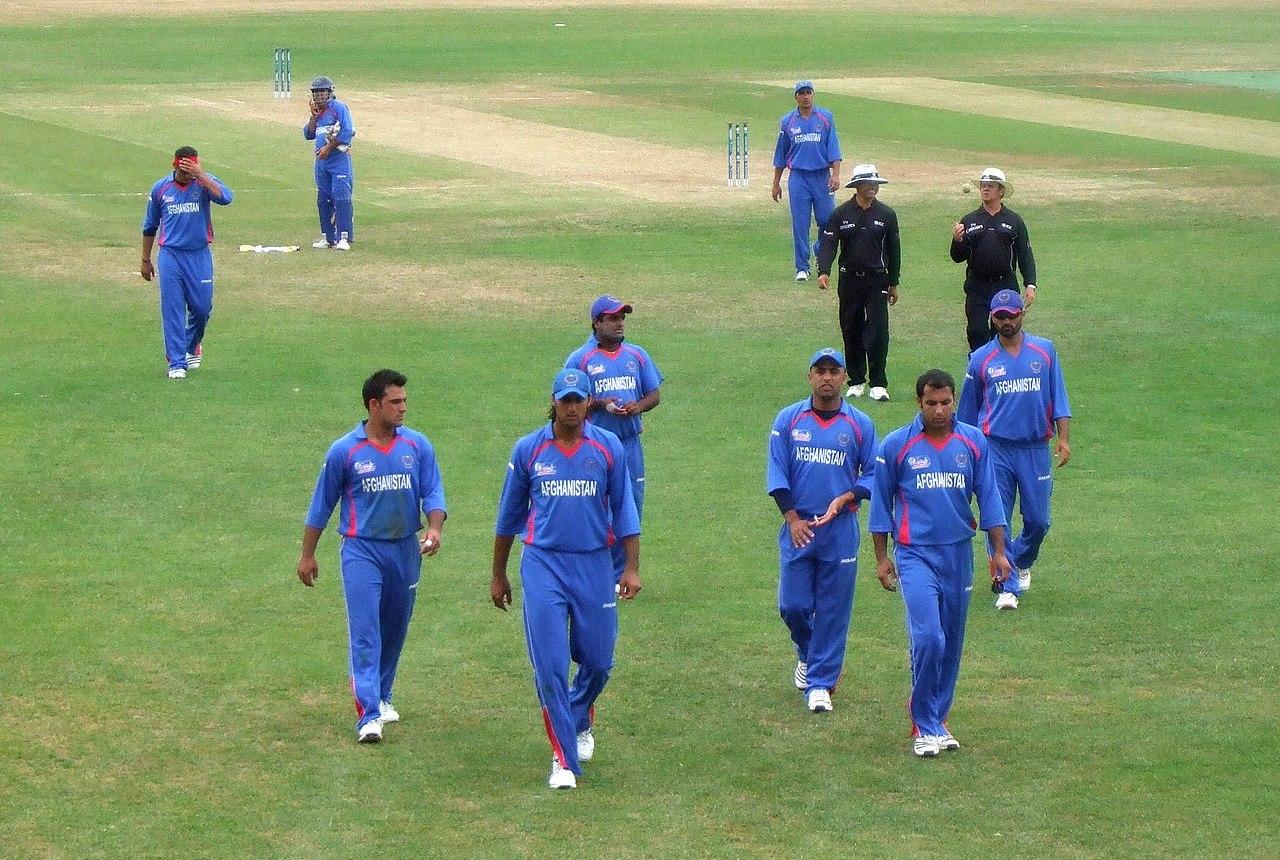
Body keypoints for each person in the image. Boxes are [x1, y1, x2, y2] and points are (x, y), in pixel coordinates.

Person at [491, 369, 642, 790]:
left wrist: (631, 567)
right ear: (554, 401)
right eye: (565, 400)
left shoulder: (608, 447)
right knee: (552, 666)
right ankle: (564, 759)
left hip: (594, 564)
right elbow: (508, 517)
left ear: (588, 402)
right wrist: (498, 574)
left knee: (599, 661)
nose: (572, 407)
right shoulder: (529, 450)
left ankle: (577, 716)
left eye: (578, 399)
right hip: (543, 565)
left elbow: (625, 510)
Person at [297, 369, 447, 744]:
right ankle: (368, 714)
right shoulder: (345, 451)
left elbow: (433, 492)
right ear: (374, 405)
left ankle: (382, 694)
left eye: (404, 401)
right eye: (395, 402)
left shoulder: (417, 446)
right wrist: (307, 555)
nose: (403, 408)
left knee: (395, 626)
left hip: (405, 549)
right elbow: (321, 505)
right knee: (366, 630)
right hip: (361, 550)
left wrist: (434, 528)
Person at [868, 369, 1012, 757]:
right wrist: (881, 559)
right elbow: (880, 506)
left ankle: (937, 719)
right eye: (931, 403)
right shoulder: (897, 445)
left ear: (954, 401)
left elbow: (990, 499)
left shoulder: (973, 442)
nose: (938, 410)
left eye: (945, 402)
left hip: (958, 553)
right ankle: (924, 722)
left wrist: (999, 552)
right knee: (929, 637)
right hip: (915, 554)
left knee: (950, 640)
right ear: (919, 402)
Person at [766, 348, 877, 714]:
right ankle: (809, 653)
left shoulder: (860, 424)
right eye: (820, 370)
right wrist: (792, 519)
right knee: (793, 605)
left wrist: (845, 498)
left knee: (833, 608)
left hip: (840, 529)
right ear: (810, 376)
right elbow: (777, 473)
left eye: (834, 371)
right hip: (799, 526)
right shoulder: (788, 420)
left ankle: (820, 684)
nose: (827, 377)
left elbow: (873, 475)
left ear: (844, 377)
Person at [958, 290, 1071, 610]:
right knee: (998, 519)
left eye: (1012, 315)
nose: (1006, 321)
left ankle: (1019, 560)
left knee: (1039, 521)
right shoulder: (980, 359)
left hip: (1035, 448)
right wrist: (966, 454)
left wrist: (1063, 439)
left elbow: (1059, 398)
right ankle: (1006, 586)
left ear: (1023, 314)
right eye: (1000, 316)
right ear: (992, 318)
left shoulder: (1045, 351)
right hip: (995, 449)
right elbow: (966, 414)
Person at [564, 294, 663, 578]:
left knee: (630, 507)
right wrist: (600, 403)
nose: (620, 323)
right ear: (597, 323)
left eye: (622, 318)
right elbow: (566, 401)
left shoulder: (637, 355)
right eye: (612, 318)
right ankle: (593, 569)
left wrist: (637, 407)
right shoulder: (580, 359)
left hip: (630, 446)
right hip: (594, 448)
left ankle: (620, 574)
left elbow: (654, 394)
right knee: (595, 508)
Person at [140, 146, 233, 379]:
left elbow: (226, 198)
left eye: (190, 170)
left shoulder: (204, 183)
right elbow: (150, 226)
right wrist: (145, 259)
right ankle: (176, 362)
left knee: (202, 308)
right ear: (174, 166)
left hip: (199, 255)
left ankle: (192, 344)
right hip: (170, 255)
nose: (187, 175)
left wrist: (200, 174)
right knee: (172, 308)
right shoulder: (161, 188)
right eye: (183, 171)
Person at [817, 164, 901, 403]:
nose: (872, 187)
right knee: (851, 329)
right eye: (867, 183)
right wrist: (824, 271)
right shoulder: (841, 214)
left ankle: (878, 383)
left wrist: (893, 282)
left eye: (875, 184)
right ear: (856, 186)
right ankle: (856, 381)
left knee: (878, 332)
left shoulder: (886, 214)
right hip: (849, 280)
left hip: (877, 280)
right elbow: (829, 244)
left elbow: (894, 250)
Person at [950, 167, 1037, 351]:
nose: (985, 189)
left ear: (1001, 191)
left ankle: (1002, 367)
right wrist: (957, 240)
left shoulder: (1014, 220)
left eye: (990, 186)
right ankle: (979, 368)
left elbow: (1025, 254)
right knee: (977, 333)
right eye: (983, 185)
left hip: (1005, 285)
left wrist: (1030, 284)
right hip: (977, 287)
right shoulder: (969, 220)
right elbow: (957, 257)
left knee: (1004, 333)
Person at [772, 80, 843, 282]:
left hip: (821, 176)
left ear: (813, 95)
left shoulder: (825, 118)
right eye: (801, 93)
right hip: (799, 178)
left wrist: (836, 175)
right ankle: (802, 267)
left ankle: (820, 253)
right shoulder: (788, 122)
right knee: (800, 224)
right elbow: (781, 154)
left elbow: (834, 149)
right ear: (796, 97)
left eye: (808, 93)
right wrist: (776, 184)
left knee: (827, 221)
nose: (806, 97)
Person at [304, 75, 356, 250]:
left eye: (322, 92)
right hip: (321, 163)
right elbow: (308, 134)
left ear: (329, 92)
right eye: (316, 92)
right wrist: (313, 117)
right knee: (323, 199)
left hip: (338, 160)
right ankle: (328, 237)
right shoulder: (317, 111)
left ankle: (344, 237)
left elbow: (347, 131)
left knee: (341, 196)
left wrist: (328, 148)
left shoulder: (338, 108)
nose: (319, 95)